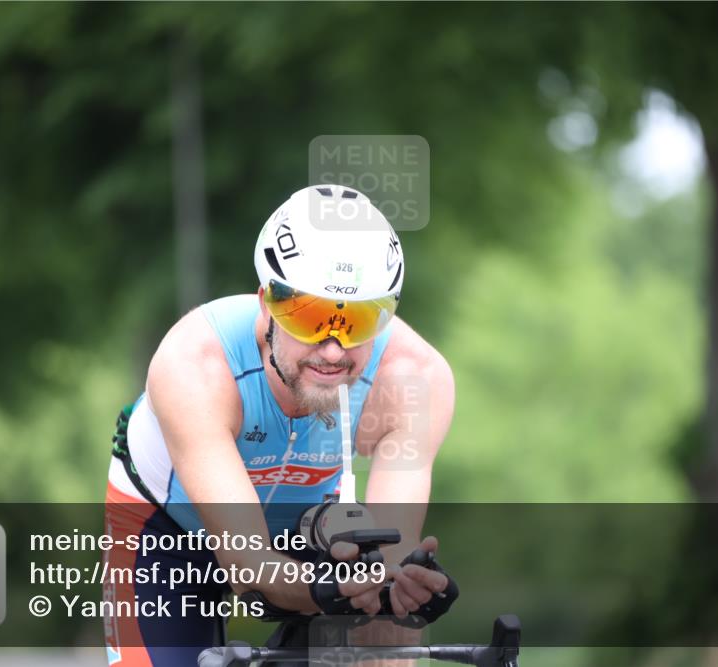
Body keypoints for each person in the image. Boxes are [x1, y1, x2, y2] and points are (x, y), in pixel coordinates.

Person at [104, 185, 457, 666]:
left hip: (310, 531)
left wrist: (404, 585)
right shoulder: (197, 364)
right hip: (169, 529)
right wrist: (328, 590)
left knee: (385, 634)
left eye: (356, 322)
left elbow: (390, 546)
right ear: (266, 301)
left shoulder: (414, 378)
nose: (333, 349)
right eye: (312, 317)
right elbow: (246, 564)